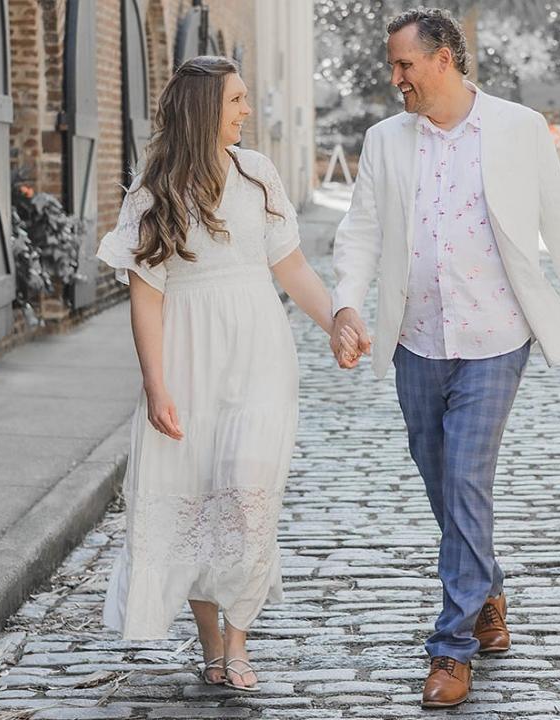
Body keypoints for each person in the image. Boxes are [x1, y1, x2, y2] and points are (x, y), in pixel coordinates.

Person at [329, 8, 560, 708]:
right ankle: (486, 590)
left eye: (404, 65)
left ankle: (450, 648)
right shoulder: (385, 141)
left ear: (444, 60)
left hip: (496, 338)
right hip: (416, 338)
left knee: (463, 476)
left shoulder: (516, 129)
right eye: (392, 66)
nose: (394, 78)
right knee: (440, 480)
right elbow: (360, 232)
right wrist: (344, 305)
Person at [94, 56, 359, 693]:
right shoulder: (153, 191)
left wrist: (337, 322)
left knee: (246, 497)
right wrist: (156, 385)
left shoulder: (258, 174)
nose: (245, 110)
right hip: (187, 359)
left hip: (260, 355)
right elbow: (146, 296)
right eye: (236, 100)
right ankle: (213, 645)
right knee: (195, 501)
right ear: (205, 108)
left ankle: (239, 641)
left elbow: (291, 268)